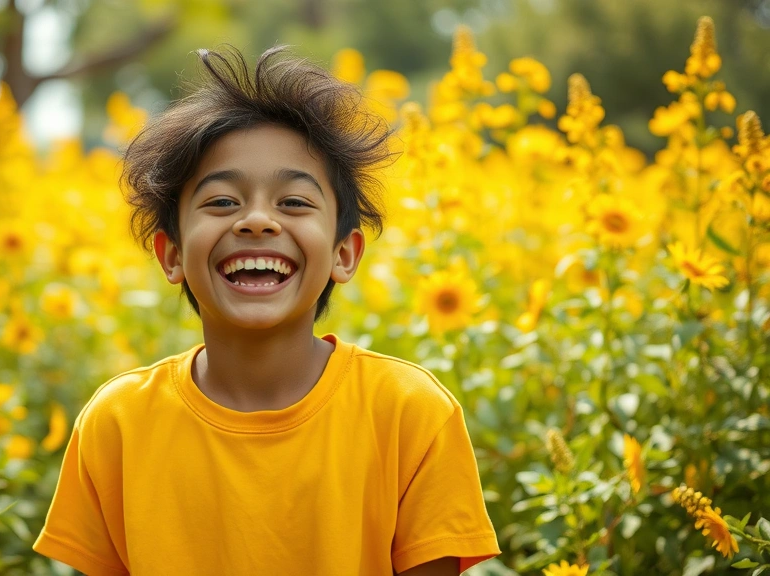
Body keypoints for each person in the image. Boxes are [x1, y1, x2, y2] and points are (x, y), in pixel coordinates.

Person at [33, 45, 500, 575]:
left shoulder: (411, 415)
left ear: (344, 254)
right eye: (222, 202)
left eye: (294, 203)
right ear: (172, 255)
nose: (257, 221)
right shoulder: (116, 424)